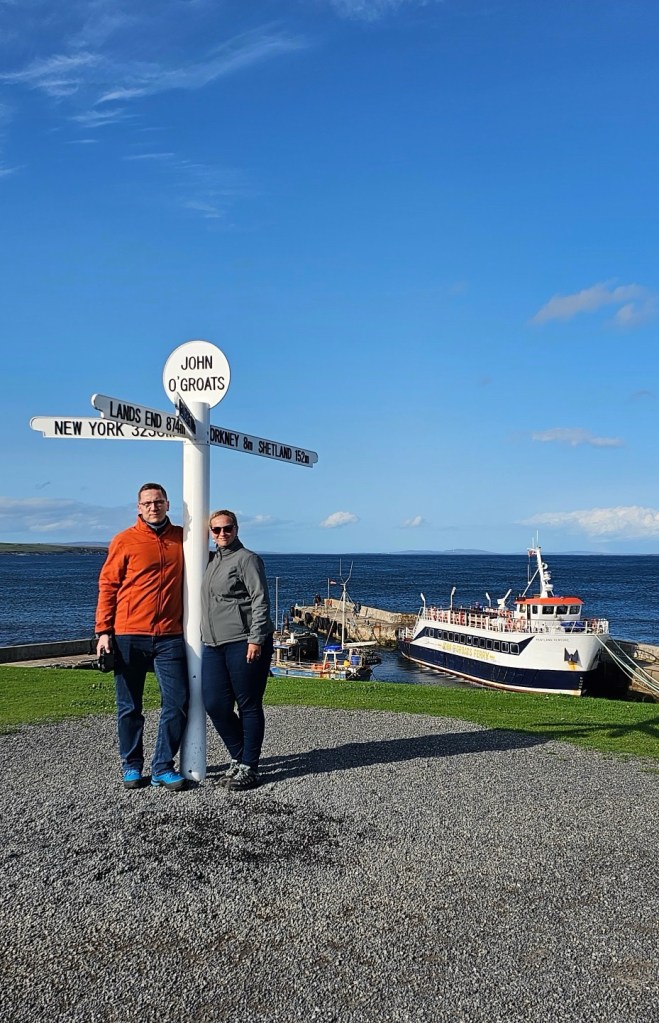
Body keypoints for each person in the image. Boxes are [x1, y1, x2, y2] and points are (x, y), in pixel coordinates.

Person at [95, 483, 189, 791]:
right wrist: (104, 632)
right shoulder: (124, 540)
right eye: (147, 503)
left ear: (167, 504)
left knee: (177, 702)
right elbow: (108, 586)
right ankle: (132, 765)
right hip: (128, 634)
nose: (153, 507)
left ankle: (162, 766)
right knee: (129, 706)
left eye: (158, 501)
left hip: (170, 636)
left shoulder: (182, 538)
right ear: (138, 507)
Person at [201, 509, 274, 791]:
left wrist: (255, 640)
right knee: (215, 704)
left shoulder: (247, 559)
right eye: (216, 530)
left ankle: (249, 766)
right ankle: (239, 755)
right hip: (213, 644)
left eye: (227, 528)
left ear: (236, 528)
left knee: (248, 704)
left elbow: (260, 600)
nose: (222, 534)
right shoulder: (209, 561)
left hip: (244, 641)